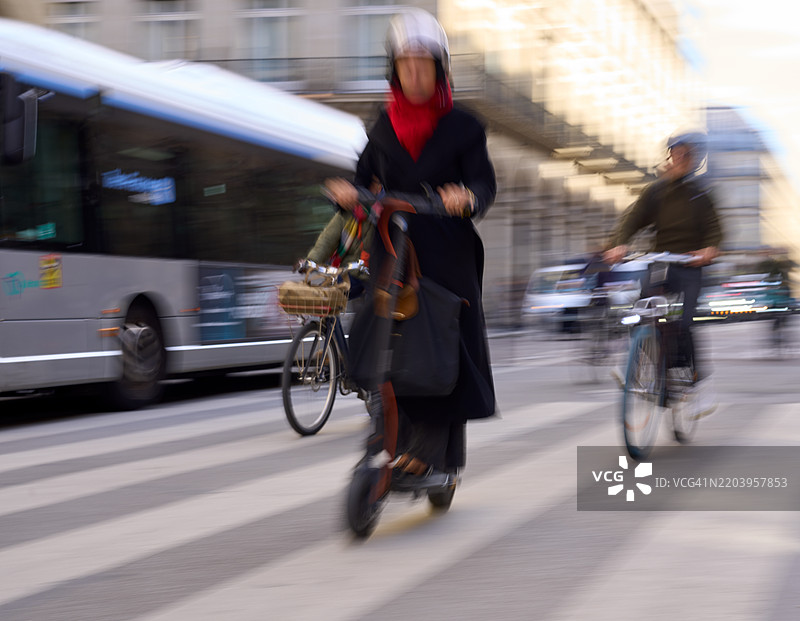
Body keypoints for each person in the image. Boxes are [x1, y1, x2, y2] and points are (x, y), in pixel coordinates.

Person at [324, 8, 497, 486]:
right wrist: (348, 193)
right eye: (405, 62)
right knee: (385, 346)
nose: (415, 71)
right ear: (394, 69)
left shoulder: (465, 126)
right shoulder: (381, 127)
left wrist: (467, 197)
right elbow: (363, 179)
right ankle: (390, 442)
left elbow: (484, 184)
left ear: (440, 69)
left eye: (424, 62)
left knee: (440, 349)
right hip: (391, 247)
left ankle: (432, 455)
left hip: (444, 250)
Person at [603, 130, 722, 413]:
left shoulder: (702, 194)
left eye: (687, 154)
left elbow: (715, 228)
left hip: (690, 265)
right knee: (642, 309)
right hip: (661, 261)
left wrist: (710, 248)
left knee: (684, 322)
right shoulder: (656, 191)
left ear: (696, 160)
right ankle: (637, 365)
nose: (680, 158)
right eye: (676, 153)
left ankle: (698, 387)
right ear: (669, 155)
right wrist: (618, 244)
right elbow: (632, 219)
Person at [301, 199, 375, 299]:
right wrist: (310, 262)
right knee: (326, 297)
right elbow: (326, 241)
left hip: (379, 273)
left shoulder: (384, 211)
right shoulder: (345, 215)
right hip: (352, 273)